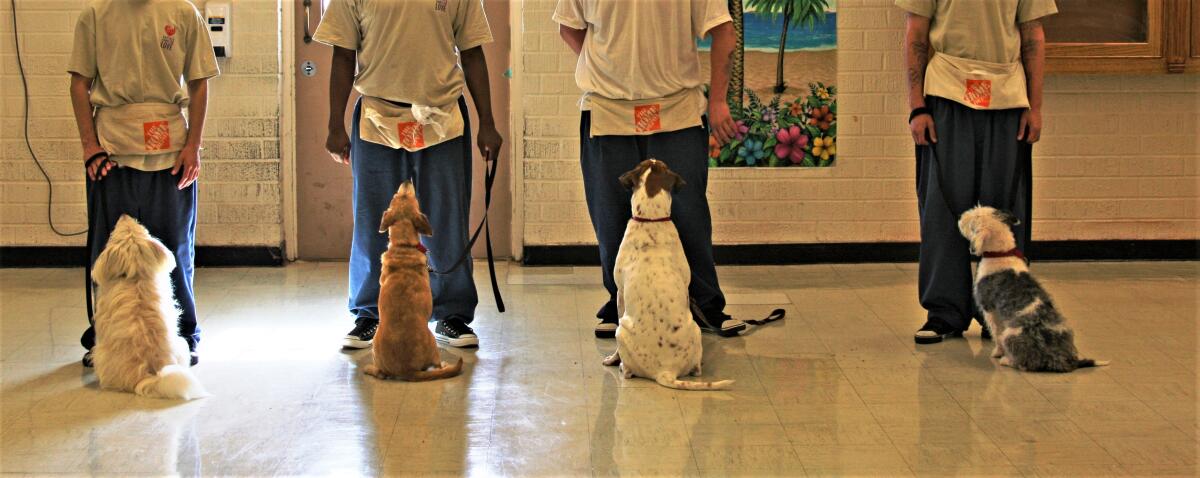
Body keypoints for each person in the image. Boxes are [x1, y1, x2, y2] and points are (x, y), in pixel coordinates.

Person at [555, 0, 749, 338]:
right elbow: (569, 26)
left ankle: (705, 306)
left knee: (688, 216)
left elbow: (725, 32)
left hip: (676, 109)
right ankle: (621, 306)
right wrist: (604, 65)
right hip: (607, 109)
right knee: (611, 216)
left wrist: (718, 100)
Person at [315, 0, 503, 349]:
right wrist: (334, 124)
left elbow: (472, 51)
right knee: (374, 219)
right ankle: (370, 313)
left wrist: (488, 122)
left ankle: (452, 313)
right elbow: (343, 55)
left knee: (446, 219)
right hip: (377, 113)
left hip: (442, 113)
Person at [68, 0, 219, 366]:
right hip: (112, 149)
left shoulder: (183, 13)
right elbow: (79, 84)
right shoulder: (95, 15)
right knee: (108, 253)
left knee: (175, 249)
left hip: (170, 148)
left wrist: (193, 147)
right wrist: (90, 146)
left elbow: (199, 84)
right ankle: (103, 337)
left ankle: (184, 335)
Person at [897, 0, 1056, 344]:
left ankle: (999, 311)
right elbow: (916, 33)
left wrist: (1036, 107)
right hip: (945, 95)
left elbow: (1033, 36)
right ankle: (944, 313)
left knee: (1004, 214)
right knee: (942, 207)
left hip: (1007, 98)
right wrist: (917, 108)